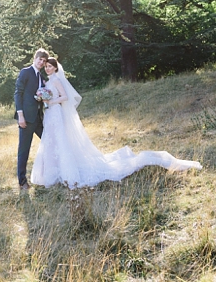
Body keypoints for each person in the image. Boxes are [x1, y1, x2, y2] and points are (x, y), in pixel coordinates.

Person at [30, 57, 202, 188]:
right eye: (46, 66)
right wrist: (43, 98)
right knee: (51, 142)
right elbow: (48, 93)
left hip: (56, 112)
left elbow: (65, 97)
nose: (48, 68)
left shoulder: (58, 80)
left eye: (50, 66)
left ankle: (66, 171)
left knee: (60, 140)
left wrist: (50, 101)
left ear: (55, 68)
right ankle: (52, 172)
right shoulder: (48, 81)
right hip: (50, 114)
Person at [14, 48, 49, 190]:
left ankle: (50, 173)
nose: (41, 62)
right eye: (40, 59)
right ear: (35, 58)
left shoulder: (41, 77)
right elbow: (18, 93)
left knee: (50, 142)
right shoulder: (26, 72)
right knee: (24, 149)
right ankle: (22, 181)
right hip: (26, 119)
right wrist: (20, 115)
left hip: (38, 119)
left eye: (44, 61)